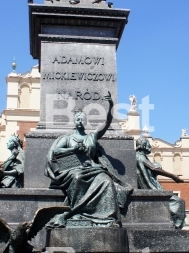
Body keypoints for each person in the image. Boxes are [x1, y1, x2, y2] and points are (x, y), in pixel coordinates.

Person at [45, 93, 132, 227]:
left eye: (82, 119)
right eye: (78, 118)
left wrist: (111, 105)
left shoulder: (92, 136)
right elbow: (56, 152)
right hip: (73, 169)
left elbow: (107, 122)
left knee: (107, 181)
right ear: (74, 121)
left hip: (93, 168)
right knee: (78, 177)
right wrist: (74, 150)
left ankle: (108, 218)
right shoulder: (67, 138)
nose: (80, 120)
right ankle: (77, 213)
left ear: (85, 122)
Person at [135, 137, 186, 229]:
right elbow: (154, 168)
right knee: (179, 201)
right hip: (150, 189)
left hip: (150, 188)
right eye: (148, 144)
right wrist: (173, 176)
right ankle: (175, 227)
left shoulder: (141, 156)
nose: (150, 146)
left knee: (178, 201)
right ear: (143, 145)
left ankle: (173, 225)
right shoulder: (140, 156)